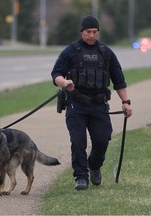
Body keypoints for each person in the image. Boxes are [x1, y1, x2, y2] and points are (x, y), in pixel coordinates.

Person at [51, 15, 132, 190]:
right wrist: (65, 83)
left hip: (98, 105)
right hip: (76, 104)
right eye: (88, 32)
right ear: (82, 32)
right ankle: (81, 177)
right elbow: (56, 74)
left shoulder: (106, 53)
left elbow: (119, 80)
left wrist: (125, 101)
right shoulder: (70, 51)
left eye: (95, 32)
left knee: (102, 139)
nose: (92, 36)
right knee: (78, 142)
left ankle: (94, 166)